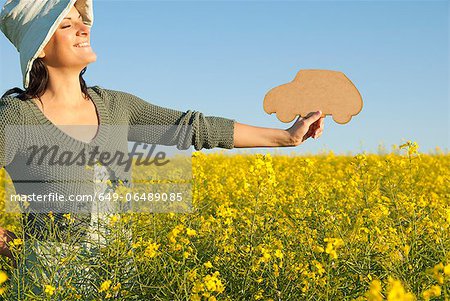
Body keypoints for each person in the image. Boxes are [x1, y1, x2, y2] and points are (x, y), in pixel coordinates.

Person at [0, 0, 324, 295]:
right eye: (66, 25)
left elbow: (194, 127)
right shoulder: (15, 117)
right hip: (48, 284)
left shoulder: (116, 106)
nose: (84, 29)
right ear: (39, 49)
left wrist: (287, 137)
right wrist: (13, 243)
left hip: (117, 279)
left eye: (81, 21)